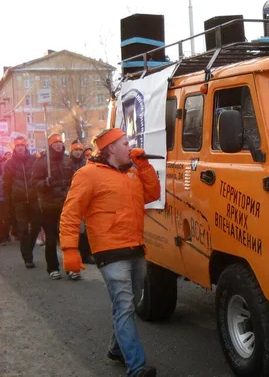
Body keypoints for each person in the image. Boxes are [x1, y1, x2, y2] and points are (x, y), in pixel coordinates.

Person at [59, 128, 160, 377]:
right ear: (112, 148)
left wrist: (145, 167)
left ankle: (117, 349)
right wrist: (70, 249)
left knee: (131, 302)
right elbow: (71, 212)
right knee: (124, 306)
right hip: (110, 252)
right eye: (126, 143)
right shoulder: (88, 175)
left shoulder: (133, 173)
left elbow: (153, 195)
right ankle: (136, 366)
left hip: (135, 247)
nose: (131, 147)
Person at [31, 133, 75, 280]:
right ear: (50, 145)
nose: (58, 145)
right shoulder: (42, 162)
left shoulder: (68, 160)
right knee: (50, 238)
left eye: (60, 143)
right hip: (48, 205)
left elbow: (74, 179)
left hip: (66, 204)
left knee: (68, 237)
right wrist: (45, 183)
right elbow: (34, 184)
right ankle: (52, 267)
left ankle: (71, 266)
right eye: (55, 143)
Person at [2, 137, 41, 268]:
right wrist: (8, 203)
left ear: (25, 147)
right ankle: (27, 258)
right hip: (18, 201)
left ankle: (29, 247)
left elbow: (40, 175)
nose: (20, 147)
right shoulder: (9, 164)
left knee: (36, 226)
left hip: (33, 198)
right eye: (17, 145)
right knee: (23, 229)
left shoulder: (34, 160)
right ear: (14, 147)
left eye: (22, 145)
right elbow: (6, 185)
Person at [69, 139, 93, 264]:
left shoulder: (86, 163)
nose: (78, 152)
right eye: (76, 150)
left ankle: (86, 254)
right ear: (71, 151)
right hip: (72, 198)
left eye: (80, 150)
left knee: (85, 229)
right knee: (75, 228)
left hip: (85, 198)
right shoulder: (67, 163)